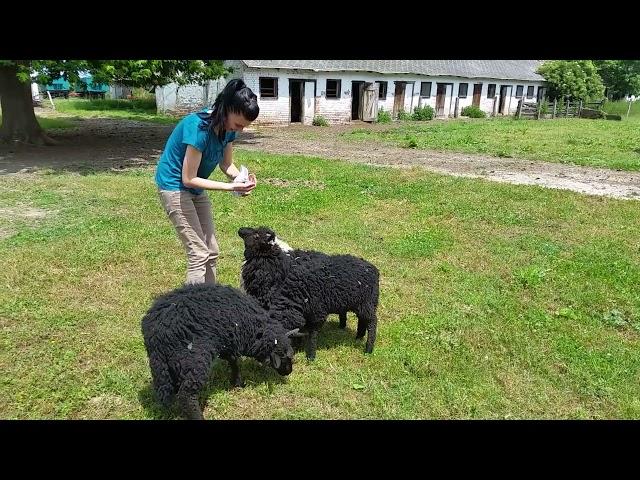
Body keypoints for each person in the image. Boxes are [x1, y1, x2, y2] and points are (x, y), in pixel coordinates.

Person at [155, 79, 258, 285]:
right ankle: (192, 312)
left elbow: (227, 165)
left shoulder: (228, 130)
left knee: (212, 251)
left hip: (194, 190)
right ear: (227, 109)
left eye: (244, 127)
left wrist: (241, 180)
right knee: (198, 253)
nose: (240, 130)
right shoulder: (198, 127)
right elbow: (189, 178)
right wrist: (231, 186)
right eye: (238, 124)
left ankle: (210, 306)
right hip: (174, 186)